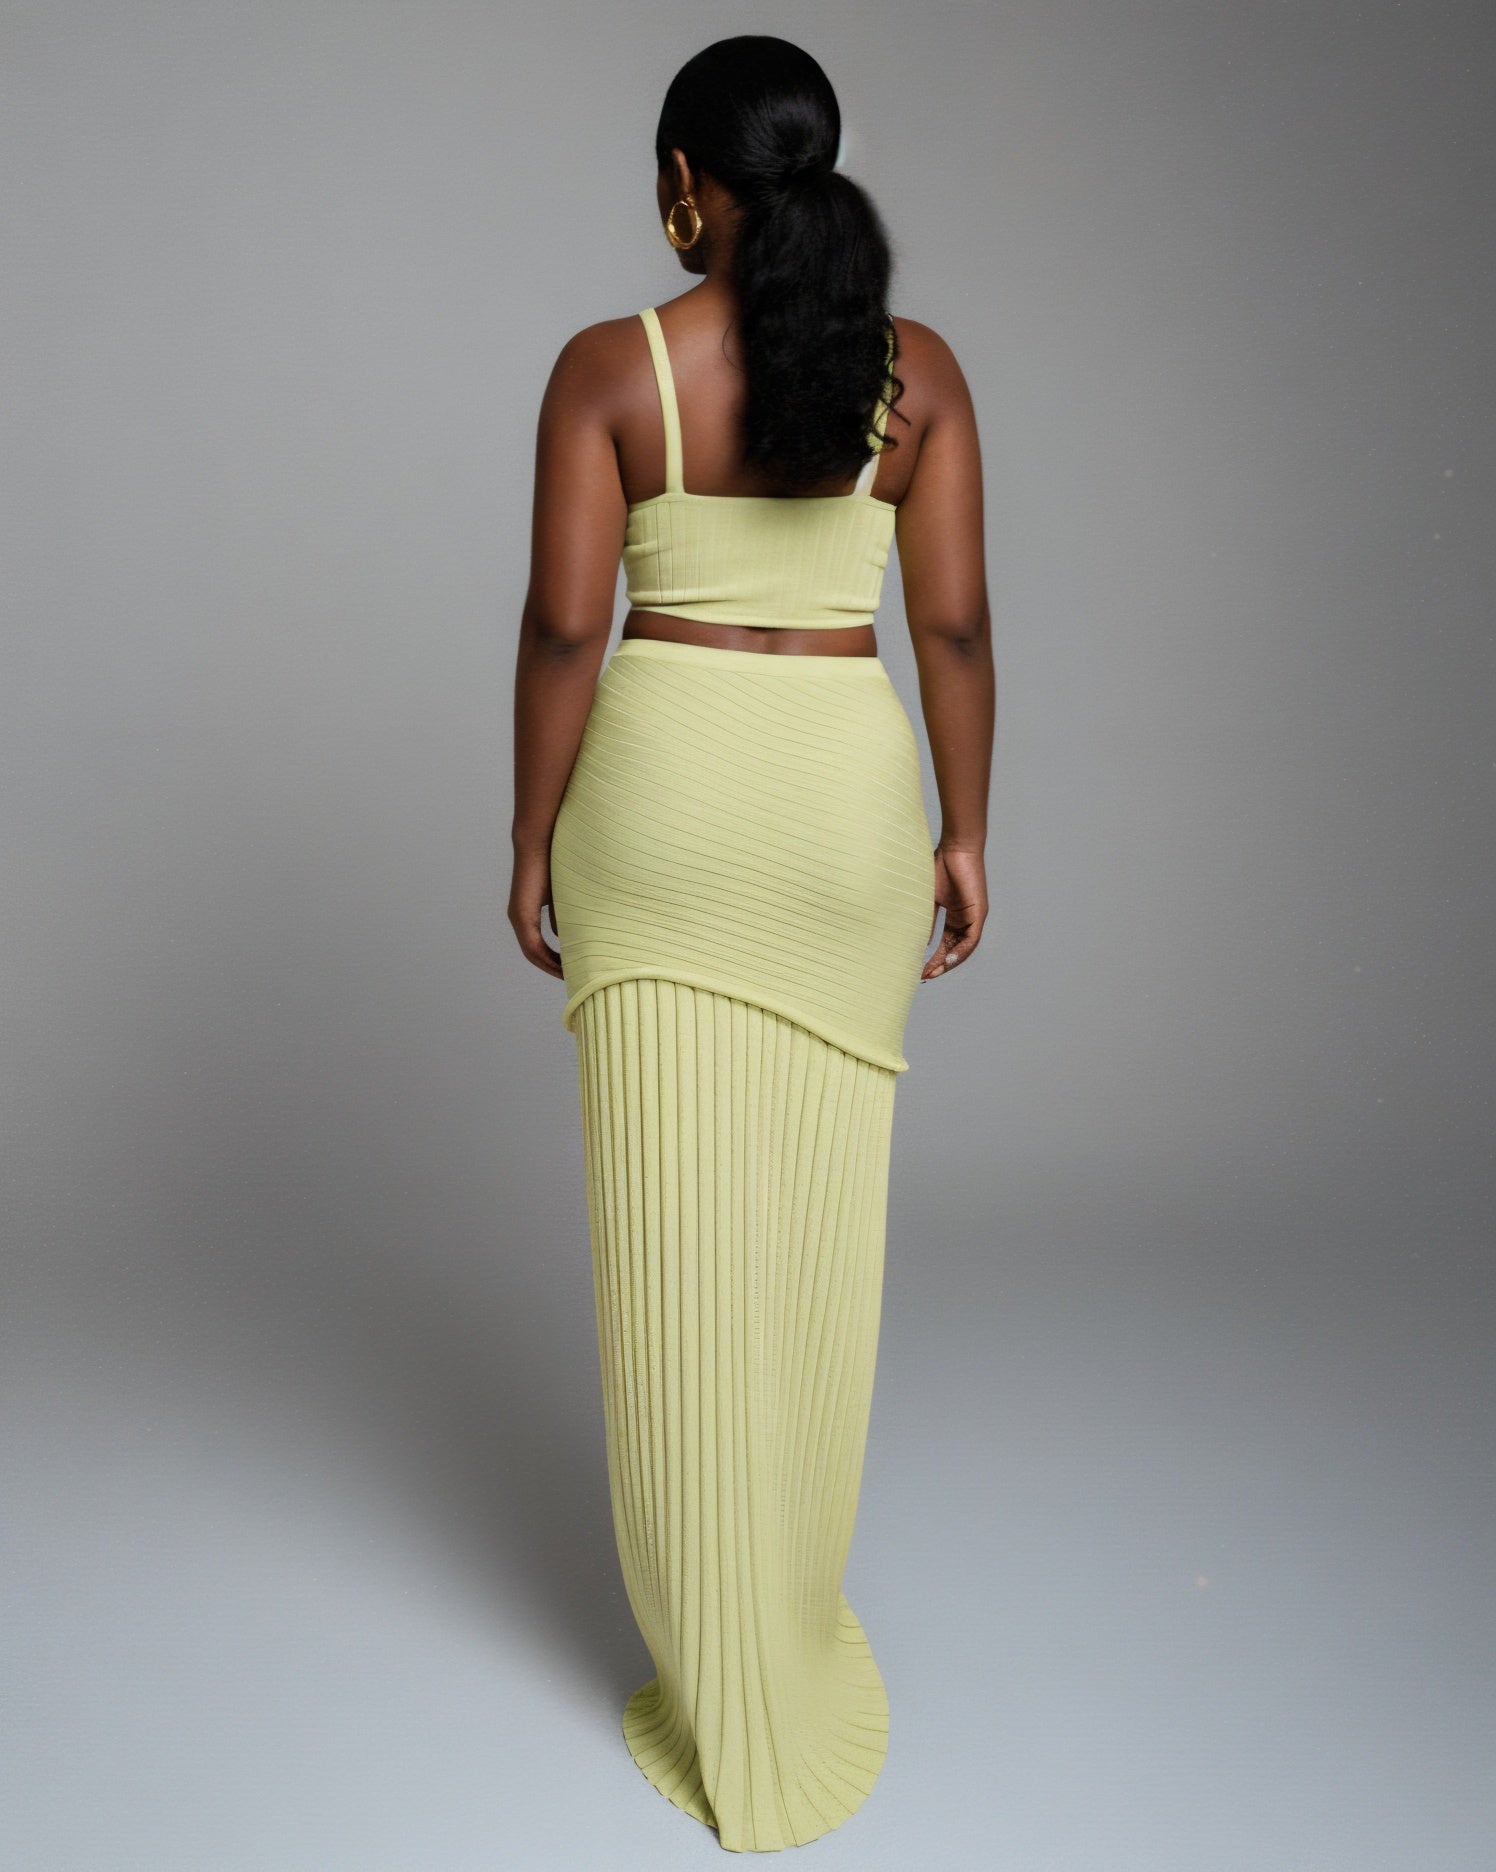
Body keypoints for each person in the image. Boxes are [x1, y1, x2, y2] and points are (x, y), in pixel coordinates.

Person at [508, 34, 993, 1853]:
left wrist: (529, 835)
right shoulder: (916, 375)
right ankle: (784, 1624)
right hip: (842, 814)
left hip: (664, 809)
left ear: (681, 186)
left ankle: (717, 1676)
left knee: (670, 1262)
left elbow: (567, 634)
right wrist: (964, 832)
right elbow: (954, 632)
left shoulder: (610, 370)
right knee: (813, 1243)